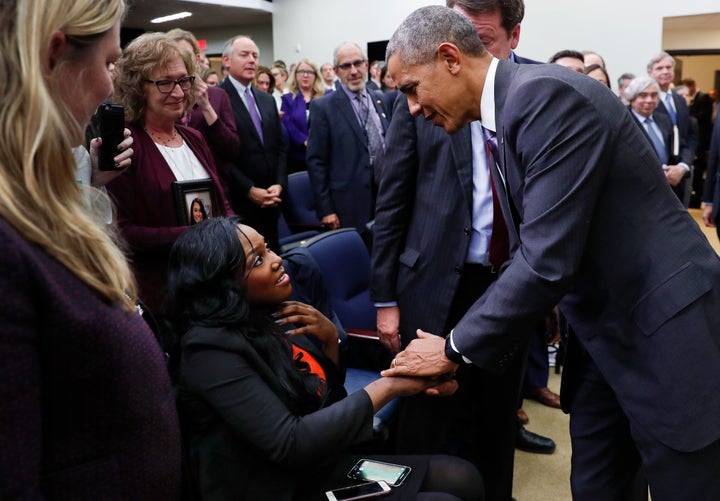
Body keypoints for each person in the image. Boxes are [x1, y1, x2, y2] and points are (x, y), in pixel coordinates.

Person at [384, 6, 720, 500]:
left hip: (665, 334)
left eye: (412, 88)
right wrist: (463, 357)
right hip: (605, 339)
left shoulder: (544, 96)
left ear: (450, 58)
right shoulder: (507, 110)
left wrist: (452, 349)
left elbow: (545, 259)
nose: (412, 108)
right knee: (596, 485)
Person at [371, 1, 554, 500]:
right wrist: (385, 299)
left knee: (495, 417)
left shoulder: (538, 93)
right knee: (426, 418)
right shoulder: (416, 99)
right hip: (430, 283)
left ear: (513, 36)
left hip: (507, 284)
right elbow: (392, 202)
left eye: (484, 38)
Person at [164, 216, 484, 501]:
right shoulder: (207, 350)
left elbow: (324, 404)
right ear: (224, 286)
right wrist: (393, 386)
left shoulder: (270, 317)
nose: (277, 261)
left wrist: (330, 340)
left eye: (269, 249)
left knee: (463, 477)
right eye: (257, 260)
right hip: (278, 487)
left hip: (318, 465)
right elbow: (290, 441)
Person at [0, 0, 181, 498]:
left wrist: (92, 180)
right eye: (107, 64)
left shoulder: (43, 196)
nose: (109, 86)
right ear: (55, 57)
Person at [107, 32, 231, 313]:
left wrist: (237, 233)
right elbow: (123, 232)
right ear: (138, 87)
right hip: (164, 294)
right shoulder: (126, 144)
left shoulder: (194, 138)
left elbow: (222, 205)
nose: (178, 92)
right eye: (164, 83)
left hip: (213, 286)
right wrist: (196, 236)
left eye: (183, 80)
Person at [306, 42, 388, 235]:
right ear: (336, 71)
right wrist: (326, 210)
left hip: (385, 196)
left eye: (358, 63)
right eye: (345, 66)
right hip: (349, 203)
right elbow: (316, 162)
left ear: (366, 65)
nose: (353, 71)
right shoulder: (323, 107)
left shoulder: (381, 99)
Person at [219, 35, 287, 252]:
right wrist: (249, 189)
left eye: (255, 56)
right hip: (240, 203)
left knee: (275, 257)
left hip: (271, 200)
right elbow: (218, 154)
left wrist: (279, 184)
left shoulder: (266, 99)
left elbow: (279, 147)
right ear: (226, 60)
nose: (252, 60)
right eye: (244, 55)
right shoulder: (218, 98)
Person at [167, 27, 240, 191]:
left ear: (198, 59)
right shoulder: (164, 97)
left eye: (186, 55)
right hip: (174, 182)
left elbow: (232, 148)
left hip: (214, 183)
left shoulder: (218, 95)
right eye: (173, 55)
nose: (180, 61)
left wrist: (206, 107)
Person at [625, 76, 689, 202]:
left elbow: (681, 146)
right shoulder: (625, 123)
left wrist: (681, 167)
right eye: (643, 95)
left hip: (668, 193)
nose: (649, 100)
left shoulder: (664, 120)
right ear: (632, 98)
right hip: (638, 195)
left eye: (654, 95)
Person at [646, 51, 695, 207]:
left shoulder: (680, 100)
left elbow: (687, 137)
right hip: (656, 176)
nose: (665, 71)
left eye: (668, 67)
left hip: (680, 174)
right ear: (650, 73)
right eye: (659, 68)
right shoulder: (644, 101)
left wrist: (683, 166)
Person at [281, 58, 327, 173]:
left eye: (310, 72)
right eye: (301, 72)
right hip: (297, 155)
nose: (305, 75)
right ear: (296, 75)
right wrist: (303, 140)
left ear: (316, 75)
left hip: (322, 154)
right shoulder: (287, 99)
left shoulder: (326, 96)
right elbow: (286, 122)